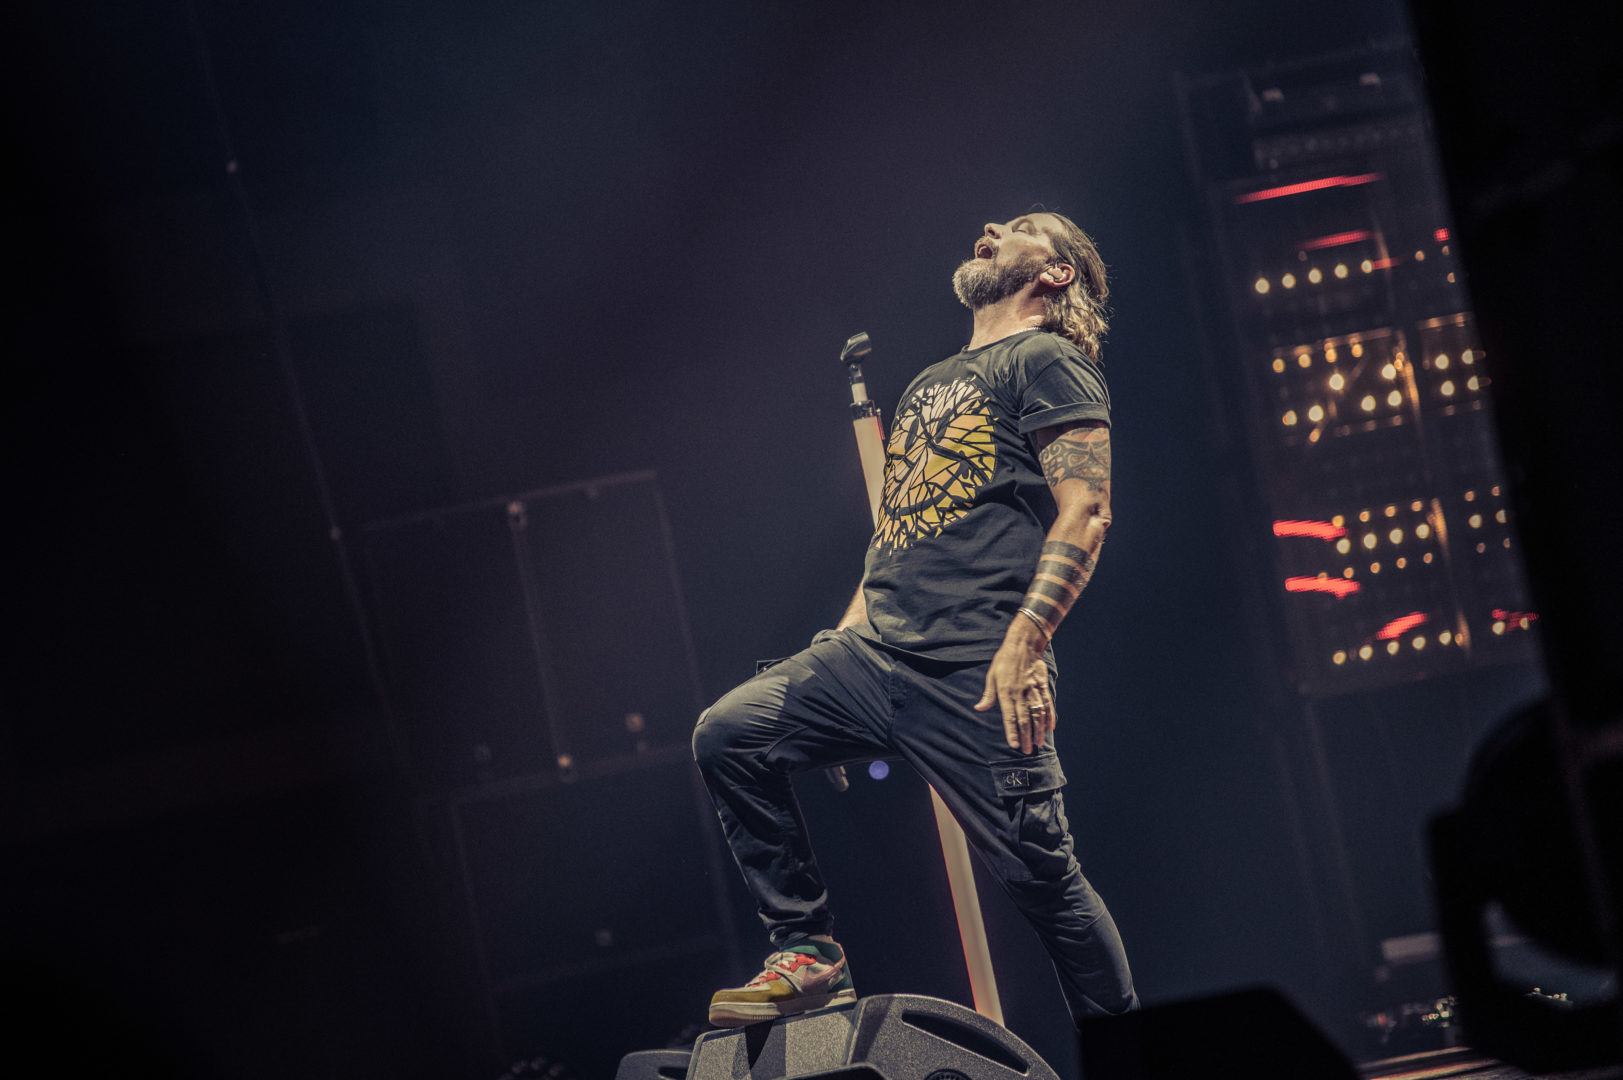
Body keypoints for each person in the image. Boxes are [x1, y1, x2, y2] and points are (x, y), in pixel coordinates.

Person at [691, 211, 1138, 1029]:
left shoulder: (1046, 361)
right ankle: (808, 951)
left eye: (1022, 225)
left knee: (1047, 886)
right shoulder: (930, 380)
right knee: (729, 735)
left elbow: (1087, 510)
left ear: (1057, 272)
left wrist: (1026, 640)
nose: (991, 226)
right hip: (874, 655)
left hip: (976, 671)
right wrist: (841, 642)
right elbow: (899, 534)